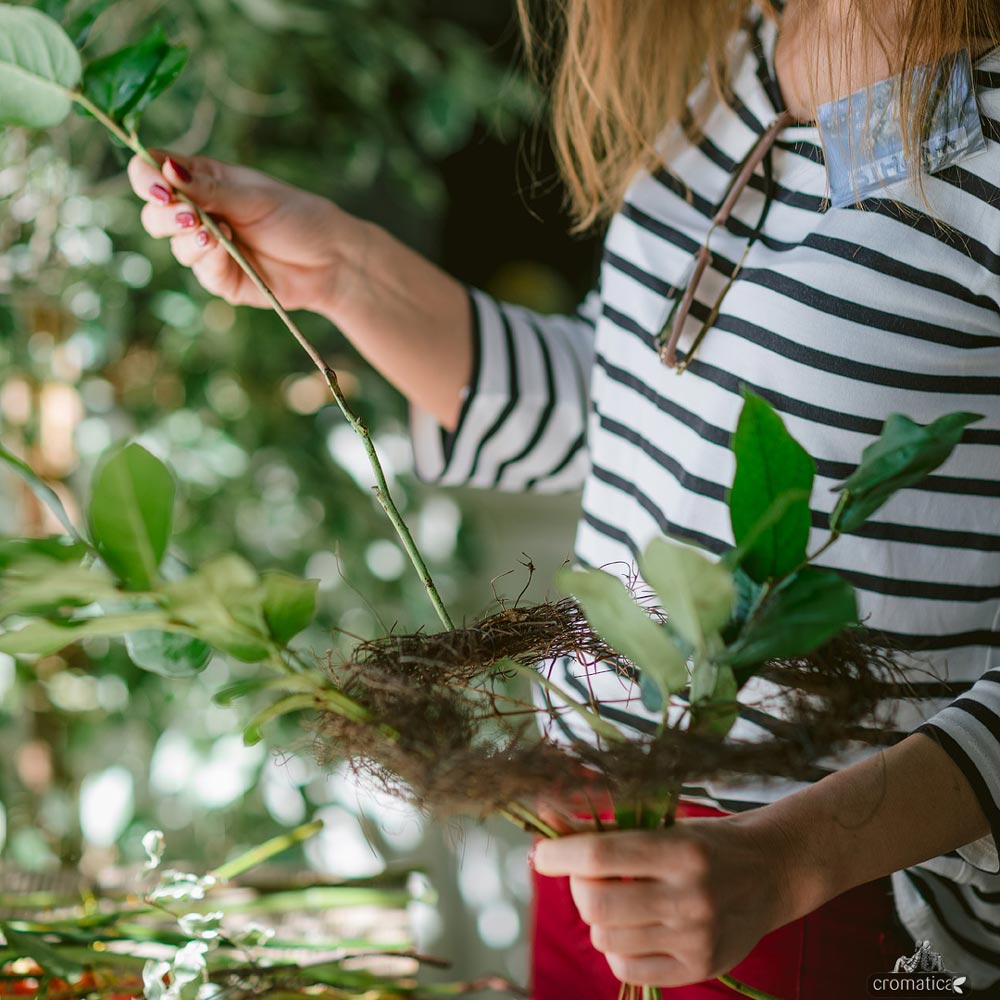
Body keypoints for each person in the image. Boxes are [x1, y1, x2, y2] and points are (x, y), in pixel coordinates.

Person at [127, 0, 1000, 995]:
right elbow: (634, 403)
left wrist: (788, 859)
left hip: (832, 898)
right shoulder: (743, 48)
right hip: (592, 843)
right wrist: (347, 269)